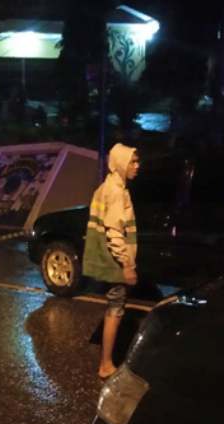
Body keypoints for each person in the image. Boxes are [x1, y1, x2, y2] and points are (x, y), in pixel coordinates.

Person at [82, 143, 141, 379]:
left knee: (113, 308)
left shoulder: (106, 187)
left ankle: (106, 361)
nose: (138, 166)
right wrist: (127, 265)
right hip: (116, 262)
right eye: (132, 162)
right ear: (119, 164)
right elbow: (115, 232)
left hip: (109, 260)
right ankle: (106, 364)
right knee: (116, 309)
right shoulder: (117, 192)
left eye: (137, 161)